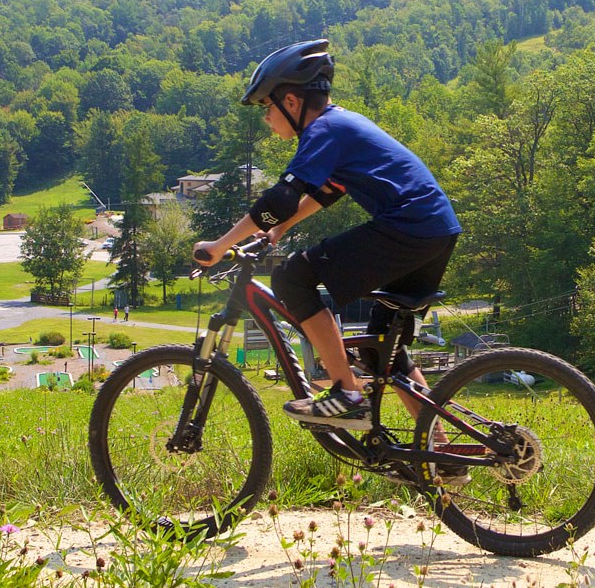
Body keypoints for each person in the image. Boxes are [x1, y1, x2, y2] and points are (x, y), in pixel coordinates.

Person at [194, 40, 462, 429]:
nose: (266, 118)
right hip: (435, 232)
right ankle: (440, 451)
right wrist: (279, 229)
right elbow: (327, 191)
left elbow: (283, 197)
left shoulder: (325, 130)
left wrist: (219, 246)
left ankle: (346, 394)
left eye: (268, 108)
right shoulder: (340, 125)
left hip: (408, 228)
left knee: (292, 276)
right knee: (383, 352)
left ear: (291, 101)